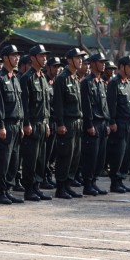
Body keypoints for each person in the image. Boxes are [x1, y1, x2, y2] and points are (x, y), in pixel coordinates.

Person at [0, 44, 25, 204]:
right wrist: (1, 125)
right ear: (5, 58)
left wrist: (22, 123)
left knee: (14, 160)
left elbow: (19, 103)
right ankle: (1, 192)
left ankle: (9, 189)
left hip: (17, 125)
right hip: (6, 125)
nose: (17, 58)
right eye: (13, 55)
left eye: (17, 55)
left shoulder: (15, 78)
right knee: (3, 159)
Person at [19, 45, 52, 201]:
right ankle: (29, 189)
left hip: (42, 123)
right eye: (41, 56)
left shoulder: (43, 78)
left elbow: (45, 103)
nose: (44, 58)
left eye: (45, 56)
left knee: (40, 158)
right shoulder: (26, 78)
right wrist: (26, 123)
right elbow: (24, 104)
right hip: (31, 123)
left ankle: (37, 187)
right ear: (32, 58)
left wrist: (46, 122)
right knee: (30, 159)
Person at [52, 48, 85, 198]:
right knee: (65, 155)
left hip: (77, 122)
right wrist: (60, 123)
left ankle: (68, 185)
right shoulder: (62, 78)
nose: (81, 61)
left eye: (81, 58)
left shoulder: (75, 78)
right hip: (67, 122)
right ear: (70, 60)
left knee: (75, 156)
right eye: (78, 58)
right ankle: (60, 187)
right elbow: (58, 104)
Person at [80, 52, 109, 196]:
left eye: (104, 61)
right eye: (100, 61)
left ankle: (94, 182)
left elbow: (105, 105)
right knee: (91, 156)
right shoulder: (86, 82)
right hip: (93, 123)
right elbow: (86, 106)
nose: (103, 64)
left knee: (100, 156)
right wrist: (89, 124)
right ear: (92, 64)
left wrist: (108, 121)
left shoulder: (102, 82)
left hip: (103, 123)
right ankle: (87, 184)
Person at [106, 55, 130, 192]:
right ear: (122, 67)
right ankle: (114, 182)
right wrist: (112, 121)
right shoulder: (114, 83)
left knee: (126, 155)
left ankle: (121, 180)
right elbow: (112, 104)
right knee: (118, 154)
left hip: (128, 124)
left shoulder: (128, 84)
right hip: (118, 124)